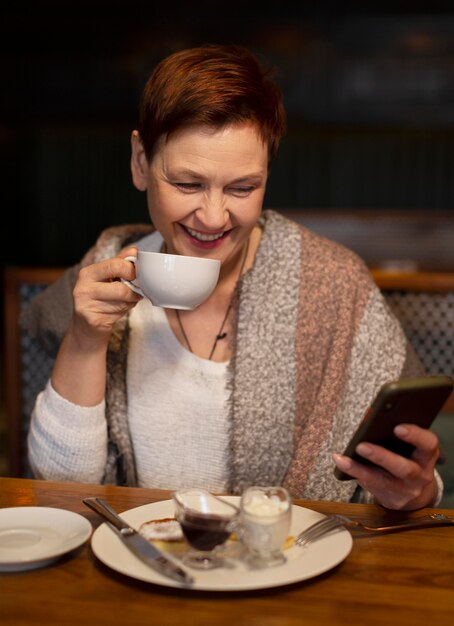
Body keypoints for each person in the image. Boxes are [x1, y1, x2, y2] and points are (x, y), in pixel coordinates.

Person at [23, 43, 442, 510]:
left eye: (243, 188)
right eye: (188, 184)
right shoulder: (103, 274)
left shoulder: (334, 283)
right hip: (143, 565)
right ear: (141, 162)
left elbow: (404, 477)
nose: (214, 216)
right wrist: (86, 339)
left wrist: (419, 490)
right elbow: (61, 487)